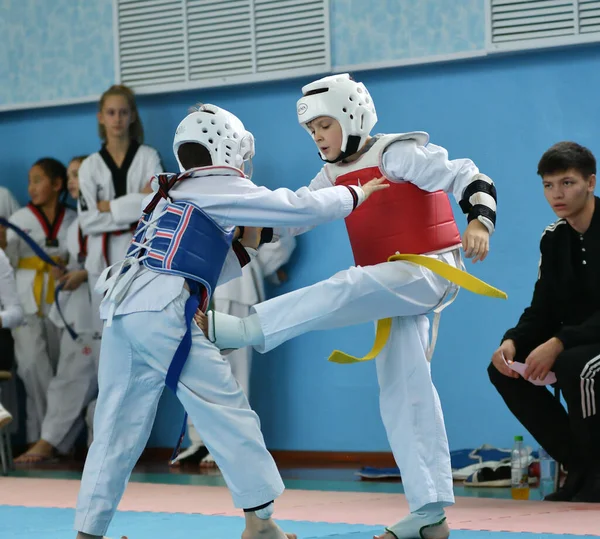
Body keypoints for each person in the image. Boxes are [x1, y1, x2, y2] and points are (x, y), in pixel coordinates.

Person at [202, 73, 502, 539]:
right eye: (311, 130)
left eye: (324, 124)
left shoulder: (395, 154)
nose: (318, 136)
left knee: (347, 285)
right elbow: (299, 213)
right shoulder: (332, 175)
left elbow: (466, 174)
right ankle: (430, 515)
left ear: (351, 116)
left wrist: (479, 220)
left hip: (430, 270)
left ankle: (248, 329)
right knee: (404, 390)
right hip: (393, 284)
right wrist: (249, 229)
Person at [73, 103, 387, 539]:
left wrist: (245, 245)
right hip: (162, 309)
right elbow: (295, 207)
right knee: (228, 411)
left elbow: (203, 249)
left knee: (115, 426)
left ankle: (88, 532)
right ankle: (259, 523)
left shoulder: (169, 192)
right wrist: (355, 194)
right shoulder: (218, 183)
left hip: (123, 311)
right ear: (228, 147)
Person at [489, 141, 600, 503]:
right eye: (548, 185)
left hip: (580, 346)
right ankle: (580, 467)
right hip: (576, 340)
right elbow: (543, 308)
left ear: (591, 183)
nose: (557, 194)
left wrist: (560, 342)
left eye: (567, 183)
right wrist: (513, 342)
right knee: (504, 371)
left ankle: (595, 472)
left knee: (575, 366)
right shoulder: (553, 240)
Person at [16, 156, 99, 463]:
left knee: (92, 383)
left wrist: (83, 273)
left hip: (95, 307)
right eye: (71, 175)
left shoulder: (94, 220)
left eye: (78, 175)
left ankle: (65, 443)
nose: (73, 181)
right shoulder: (75, 223)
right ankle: (46, 440)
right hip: (67, 307)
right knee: (55, 375)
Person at [77, 84, 161, 338]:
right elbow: (88, 221)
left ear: (132, 116)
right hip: (101, 259)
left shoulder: (148, 157)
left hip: (141, 253)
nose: (117, 119)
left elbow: (157, 204)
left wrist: (110, 207)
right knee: (105, 334)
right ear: (101, 117)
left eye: (123, 112)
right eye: (111, 112)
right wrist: (137, 204)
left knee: (142, 330)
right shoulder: (90, 166)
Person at [5, 158, 76, 445]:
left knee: (61, 370)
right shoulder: (20, 219)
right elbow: (7, 261)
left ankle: (51, 440)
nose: (30, 187)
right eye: (30, 181)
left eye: (38, 180)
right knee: (32, 366)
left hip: (60, 300)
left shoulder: (73, 219)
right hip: (27, 301)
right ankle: (45, 440)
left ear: (57, 185)